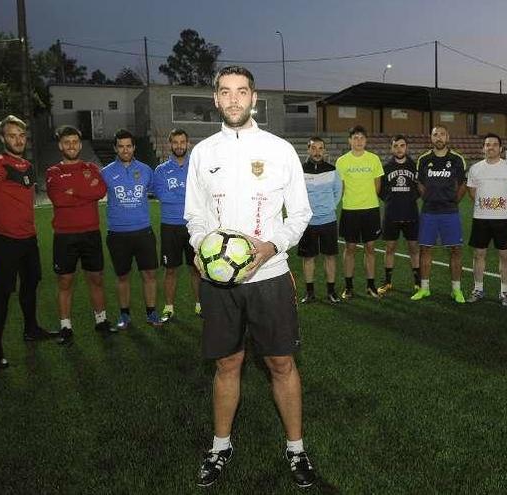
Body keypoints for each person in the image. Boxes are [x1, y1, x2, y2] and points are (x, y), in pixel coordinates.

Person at [185, 66, 315, 488]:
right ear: (216, 100)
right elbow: (195, 214)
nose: (234, 100)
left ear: (254, 98)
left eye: (242, 92)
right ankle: (221, 446)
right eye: (226, 92)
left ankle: (296, 449)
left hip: (271, 276)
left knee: (280, 362)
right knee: (228, 363)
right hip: (220, 282)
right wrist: (202, 247)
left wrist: (271, 247)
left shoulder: (279, 149)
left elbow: (299, 214)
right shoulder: (203, 153)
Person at [0, 115, 56, 369]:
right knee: (2, 293)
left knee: (31, 284)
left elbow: (23, 203)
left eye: (21, 136)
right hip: (7, 241)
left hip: (28, 238)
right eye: (12, 136)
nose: (18, 140)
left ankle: (31, 329)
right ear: (3, 139)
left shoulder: (28, 167)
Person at [45, 125, 111, 345]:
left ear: (80, 144)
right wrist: (85, 192)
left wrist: (73, 191)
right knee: (65, 281)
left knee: (96, 278)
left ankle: (101, 321)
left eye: (75, 142)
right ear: (60, 145)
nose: (71, 146)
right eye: (67, 142)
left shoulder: (91, 168)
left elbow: (100, 191)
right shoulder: (53, 172)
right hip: (64, 236)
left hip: (91, 232)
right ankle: (65, 326)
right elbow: (59, 199)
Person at [101, 129, 161, 328]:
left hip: (143, 231)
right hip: (117, 234)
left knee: (149, 274)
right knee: (122, 276)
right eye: (121, 146)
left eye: (129, 146)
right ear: (115, 148)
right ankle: (124, 315)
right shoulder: (106, 172)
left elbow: (155, 190)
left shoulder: (145, 170)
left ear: (134, 147)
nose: (125, 150)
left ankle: (151, 313)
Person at [412, 125, 467, 303]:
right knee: (425, 249)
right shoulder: (423, 159)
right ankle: (425, 288)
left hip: (450, 212)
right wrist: (427, 198)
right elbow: (419, 183)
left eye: (442, 134)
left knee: (455, 250)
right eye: (435, 135)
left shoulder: (457, 159)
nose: (439, 138)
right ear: (431, 138)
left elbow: (462, 185)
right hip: (429, 212)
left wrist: (452, 201)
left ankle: (456, 290)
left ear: (447, 137)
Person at [153, 128, 201, 322]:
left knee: (196, 268)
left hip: (194, 225)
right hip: (170, 226)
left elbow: (201, 195)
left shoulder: (196, 167)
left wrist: (180, 197)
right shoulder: (161, 170)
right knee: (170, 269)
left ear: (188, 144)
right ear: (169, 144)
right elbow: (162, 196)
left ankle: (200, 305)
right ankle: (169, 307)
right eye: (175, 142)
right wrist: (188, 197)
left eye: (183, 142)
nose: (179, 146)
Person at [466, 133, 507, 305]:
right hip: (481, 218)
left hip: (502, 219)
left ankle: (504, 292)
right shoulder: (475, 169)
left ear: (501, 148)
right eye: (487, 144)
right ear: (483, 148)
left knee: (504, 255)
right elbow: (472, 192)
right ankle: (478, 289)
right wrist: (486, 206)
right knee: (479, 254)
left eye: (494, 144)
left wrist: (500, 207)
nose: (491, 147)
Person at [335, 125, 384, 299]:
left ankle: (371, 286)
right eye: (355, 138)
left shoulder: (374, 159)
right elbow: (339, 187)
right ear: (349, 141)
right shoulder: (341, 161)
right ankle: (349, 287)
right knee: (350, 248)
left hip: (371, 210)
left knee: (370, 248)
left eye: (361, 138)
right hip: (350, 211)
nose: (358, 141)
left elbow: (378, 186)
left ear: (366, 141)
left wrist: (368, 199)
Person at [298, 136, 343, 304]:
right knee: (308, 257)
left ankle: (331, 291)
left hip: (328, 220)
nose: (317, 152)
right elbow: (297, 194)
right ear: (308, 150)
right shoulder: (300, 170)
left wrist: (328, 207)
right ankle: (310, 292)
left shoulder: (332, 170)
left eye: (320, 148)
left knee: (330, 256)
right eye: (313, 148)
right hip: (308, 222)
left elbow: (338, 192)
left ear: (324, 150)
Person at [377, 134, 421, 295]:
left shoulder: (414, 166)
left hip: (411, 214)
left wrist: (408, 199)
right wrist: (392, 201)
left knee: (414, 248)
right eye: (396, 146)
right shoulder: (386, 167)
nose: (399, 148)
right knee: (389, 248)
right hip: (391, 214)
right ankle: (387, 282)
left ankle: (417, 282)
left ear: (406, 147)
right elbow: (380, 191)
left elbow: (419, 190)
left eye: (402, 145)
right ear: (391, 148)